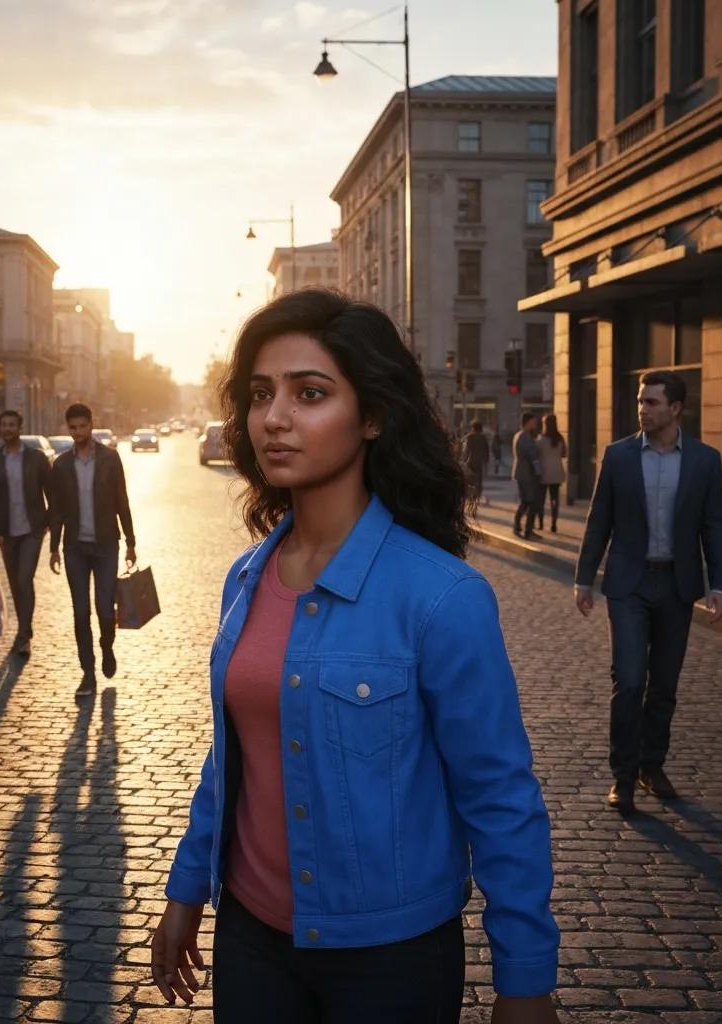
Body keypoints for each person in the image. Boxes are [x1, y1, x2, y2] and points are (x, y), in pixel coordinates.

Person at [149, 290, 559, 1024]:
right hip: (250, 939)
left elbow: (500, 796)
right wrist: (186, 889)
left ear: (371, 415)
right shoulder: (245, 579)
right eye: (261, 395)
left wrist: (524, 981)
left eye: (310, 394)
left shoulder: (442, 597)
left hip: (391, 957)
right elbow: (231, 760)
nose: (275, 418)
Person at [574, 370, 722, 816]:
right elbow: (599, 519)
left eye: (652, 403)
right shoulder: (618, 456)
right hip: (628, 583)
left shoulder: (703, 460)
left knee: (663, 685)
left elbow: (714, 525)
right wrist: (584, 578)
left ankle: (651, 765)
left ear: (676, 408)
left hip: (676, 586)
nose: (643, 409)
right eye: (641, 401)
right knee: (628, 679)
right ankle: (622, 778)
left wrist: (719, 584)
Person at [49, 402, 137, 699]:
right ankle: (87, 672)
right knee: (80, 611)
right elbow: (57, 510)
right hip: (74, 546)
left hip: (106, 544)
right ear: (68, 428)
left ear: (91, 424)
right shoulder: (61, 465)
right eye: (72, 428)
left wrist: (131, 542)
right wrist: (53, 548)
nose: (77, 432)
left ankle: (107, 646)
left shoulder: (110, 460)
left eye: (82, 426)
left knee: (103, 606)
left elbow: (121, 500)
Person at [0, 409, 52, 657]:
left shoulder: (37, 458)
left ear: (20, 428)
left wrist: (49, 525)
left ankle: (23, 635)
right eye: (4, 425)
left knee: (24, 579)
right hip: (6, 532)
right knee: (15, 584)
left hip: (32, 530)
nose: (7, 429)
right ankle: (26, 627)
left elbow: (51, 493)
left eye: (12, 425)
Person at [512, 413, 543, 540]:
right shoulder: (525, 437)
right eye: (534, 422)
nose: (535, 424)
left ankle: (519, 527)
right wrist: (539, 472)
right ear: (528, 422)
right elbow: (533, 457)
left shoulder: (518, 435)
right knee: (531, 502)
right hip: (527, 474)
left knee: (526, 501)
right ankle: (526, 530)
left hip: (522, 473)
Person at [536, 414, 567, 533]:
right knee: (554, 499)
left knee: (541, 499)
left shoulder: (540, 439)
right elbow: (564, 454)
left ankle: (541, 523)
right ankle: (554, 524)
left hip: (543, 473)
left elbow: (536, 454)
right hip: (557, 472)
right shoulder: (560, 439)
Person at [464, 419, 490, 505]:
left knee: (471, 480)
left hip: (470, 462)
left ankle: (471, 497)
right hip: (479, 463)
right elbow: (486, 450)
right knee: (479, 480)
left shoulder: (469, 437)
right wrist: (486, 461)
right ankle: (477, 496)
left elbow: (466, 450)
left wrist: (464, 460)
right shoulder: (483, 438)